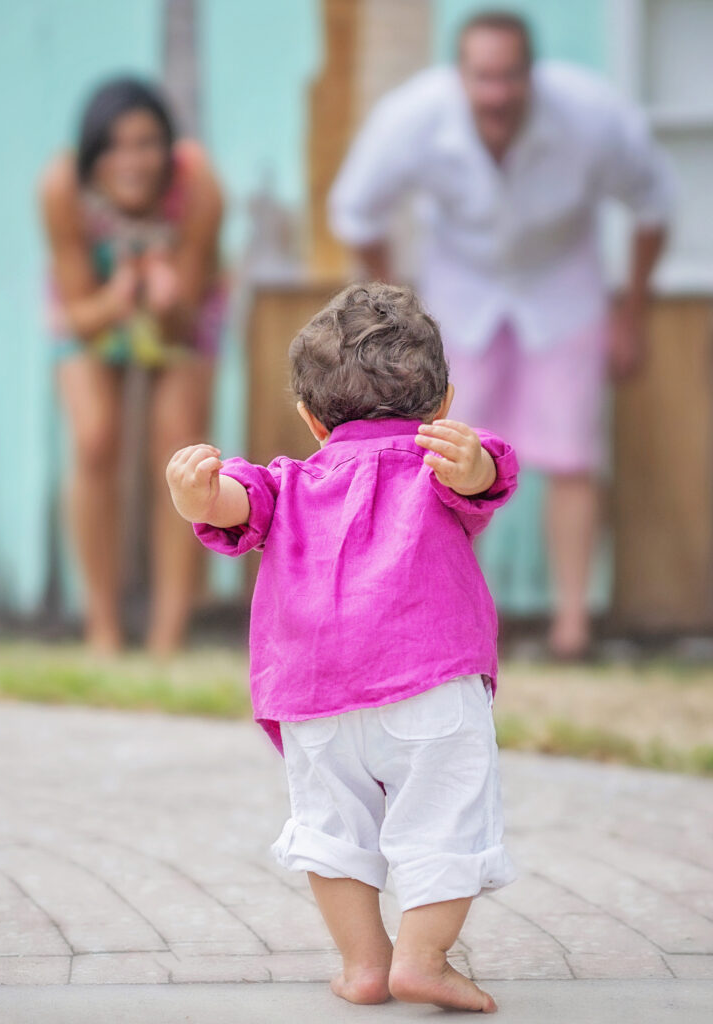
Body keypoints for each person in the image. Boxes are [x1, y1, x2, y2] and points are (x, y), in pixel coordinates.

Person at [167, 283, 518, 1012]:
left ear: (311, 418)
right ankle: (423, 959)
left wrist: (200, 498)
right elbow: (484, 474)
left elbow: (240, 500)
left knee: (332, 831)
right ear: (443, 404)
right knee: (446, 817)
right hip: (429, 680)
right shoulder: (438, 463)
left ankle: (365, 966)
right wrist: (474, 466)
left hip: (315, 698)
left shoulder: (289, 482)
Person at [329, 9, 675, 658]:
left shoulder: (592, 115)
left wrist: (632, 314)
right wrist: (397, 313)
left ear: (532, 75)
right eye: (483, 77)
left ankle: (573, 629)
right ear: (459, 76)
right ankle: (460, 623)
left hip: (565, 289)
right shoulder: (412, 118)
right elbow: (355, 211)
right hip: (457, 296)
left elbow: (654, 204)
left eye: (510, 77)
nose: (497, 93)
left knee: (573, 455)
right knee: (448, 458)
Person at [39, 77, 226, 655]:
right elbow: (78, 316)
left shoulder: (199, 186)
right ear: (91, 153)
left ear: (168, 148)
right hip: (93, 307)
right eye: (114, 147)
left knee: (182, 449)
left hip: (182, 311)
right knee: (95, 439)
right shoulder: (61, 187)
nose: (132, 161)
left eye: (147, 144)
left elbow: (184, 321)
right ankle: (102, 629)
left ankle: (168, 637)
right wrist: (118, 299)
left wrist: (166, 305)